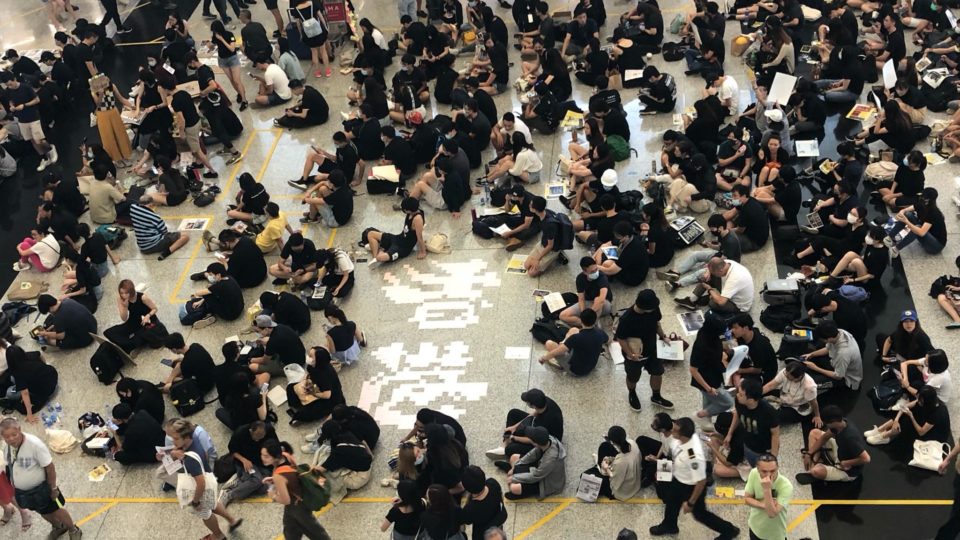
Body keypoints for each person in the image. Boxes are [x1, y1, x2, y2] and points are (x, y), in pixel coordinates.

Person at [649, 417, 739, 538]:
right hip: (680, 479)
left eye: (675, 430)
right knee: (671, 501)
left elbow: (701, 481)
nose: (672, 431)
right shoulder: (678, 441)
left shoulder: (693, 455)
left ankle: (729, 530)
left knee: (700, 514)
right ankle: (670, 525)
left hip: (692, 486)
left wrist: (690, 503)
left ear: (683, 435)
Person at [160, 418, 242, 539]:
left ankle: (218, 536)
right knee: (212, 503)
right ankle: (232, 520)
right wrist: (173, 454)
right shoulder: (194, 438)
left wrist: (195, 501)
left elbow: (200, 483)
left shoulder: (190, 460)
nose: (173, 441)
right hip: (209, 478)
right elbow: (206, 455)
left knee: (206, 514)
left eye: (176, 438)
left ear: (186, 437)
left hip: (200, 489)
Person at [1, 418, 81, 539]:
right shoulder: (7, 447)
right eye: (7, 437)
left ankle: (73, 530)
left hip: (42, 489)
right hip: (24, 492)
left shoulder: (34, 444)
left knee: (56, 509)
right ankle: (58, 527)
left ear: (19, 430)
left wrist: (53, 488)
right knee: (42, 511)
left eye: (14, 434)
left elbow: (49, 467)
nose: (11, 439)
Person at [614, 289, 675, 412]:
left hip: (652, 350)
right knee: (633, 377)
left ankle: (656, 396)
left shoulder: (653, 308)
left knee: (657, 372)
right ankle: (632, 393)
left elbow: (657, 323)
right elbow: (621, 339)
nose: (655, 309)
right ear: (643, 307)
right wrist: (630, 354)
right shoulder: (627, 319)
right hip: (635, 354)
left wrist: (663, 336)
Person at [262, 439, 332, 540]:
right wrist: (276, 480)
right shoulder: (286, 455)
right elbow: (292, 474)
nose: (262, 458)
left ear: (276, 457)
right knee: (290, 529)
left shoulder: (279, 475)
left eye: (266, 456)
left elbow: (286, 500)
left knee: (314, 531)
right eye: (262, 455)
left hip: (297, 506)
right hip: (299, 497)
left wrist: (273, 495)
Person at [660, 214, 741, 291]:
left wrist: (709, 267)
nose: (711, 231)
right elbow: (720, 247)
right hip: (721, 255)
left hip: (727, 264)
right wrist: (709, 245)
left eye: (713, 229)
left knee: (701, 272)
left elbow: (722, 260)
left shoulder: (731, 241)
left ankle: (677, 284)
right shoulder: (722, 233)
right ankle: (676, 272)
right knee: (696, 255)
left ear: (720, 227)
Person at [796, 405, 871, 485]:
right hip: (840, 451)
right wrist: (808, 453)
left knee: (816, 472)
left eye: (826, 423)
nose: (825, 425)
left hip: (848, 470)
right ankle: (815, 459)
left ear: (833, 422)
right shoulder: (840, 424)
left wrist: (846, 463)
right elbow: (824, 438)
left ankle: (815, 466)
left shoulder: (850, 438)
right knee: (814, 433)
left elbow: (866, 458)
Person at [485, 388, 563, 464]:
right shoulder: (545, 401)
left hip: (545, 442)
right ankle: (504, 444)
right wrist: (515, 427)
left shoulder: (546, 422)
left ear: (533, 405)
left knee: (510, 449)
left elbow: (532, 440)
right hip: (537, 429)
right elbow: (534, 413)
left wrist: (514, 438)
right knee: (513, 413)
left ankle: (506, 447)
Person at [0, 72, 57, 172]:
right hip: (21, 119)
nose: (10, 86)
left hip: (33, 117)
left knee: (39, 139)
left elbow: (37, 99)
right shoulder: (8, 91)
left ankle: (51, 149)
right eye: (7, 85)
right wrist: (12, 106)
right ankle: (44, 158)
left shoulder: (25, 87)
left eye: (10, 84)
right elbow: (10, 101)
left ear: (14, 79)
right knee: (32, 140)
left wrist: (24, 105)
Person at [864, 385, 952, 446]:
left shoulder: (937, 413)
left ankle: (885, 436)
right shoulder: (928, 402)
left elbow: (921, 432)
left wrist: (911, 416)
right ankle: (881, 429)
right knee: (904, 413)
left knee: (907, 419)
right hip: (926, 423)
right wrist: (896, 420)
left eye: (920, 400)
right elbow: (906, 406)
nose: (918, 401)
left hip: (934, 436)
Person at [763, 361, 822, 450]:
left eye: (789, 377)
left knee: (773, 417)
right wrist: (756, 393)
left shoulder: (809, 386)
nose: (785, 376)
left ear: (799, 377)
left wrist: (817, 415)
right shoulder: (785, 372)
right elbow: (771, 385)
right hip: (785, 397)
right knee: (764, 392)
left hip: (797, 408)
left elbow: (813, 402)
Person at [500, 426, 567, 500]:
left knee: (513, 487)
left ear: (535, 443)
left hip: (547, 482)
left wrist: (514, 478)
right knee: (514, 458)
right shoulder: (548, 440)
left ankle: (518, 492)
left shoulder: (550, 459)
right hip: (540, 467)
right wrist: (517, 465)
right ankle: (513, 469)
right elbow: (533, 454)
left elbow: (535, 476)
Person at [221, 421, 278, 506]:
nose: (258, 440)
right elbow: (232, 451)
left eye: (261, 437)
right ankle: (229, 495)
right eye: (257, 437)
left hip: (261, 462)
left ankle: (239, 483)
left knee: (265, 487)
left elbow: (276, 447)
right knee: (257, 481)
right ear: (251, 431)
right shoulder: (240, 433)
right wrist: (244, 460)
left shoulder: (269, 430)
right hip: (246, 461)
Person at [689, 315, 735, 421]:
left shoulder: (706, 332)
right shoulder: (701, 346)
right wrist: (708, 388)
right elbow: (693, 370)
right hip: (708, 380)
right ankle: (701, 414)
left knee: (709, 401)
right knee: (728, 402)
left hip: (714, 372)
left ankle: (706, 423)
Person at [104, 279, 167, 354]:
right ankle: (126, 343)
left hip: (148, 321)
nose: (124, 295)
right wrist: (125, 307)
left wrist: (148, 315)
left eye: (126, 293)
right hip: (134, 321)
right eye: (121, 293)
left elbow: (155, 308)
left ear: (131, 291)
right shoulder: (120, 299)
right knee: (109, 332)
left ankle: (127, 343)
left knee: (140, 337)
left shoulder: (142, 297)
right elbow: (124, 318)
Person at [539, 308, 608, 376]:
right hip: (591, 366)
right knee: (574, 329)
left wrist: (543, 358)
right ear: (595, 320)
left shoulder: (576, 338)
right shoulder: (600, 333)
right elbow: (607, 340)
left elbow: (559, 351)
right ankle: (563, 344)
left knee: (549, 344)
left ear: (581, 320)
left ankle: (559, 363)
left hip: (575, 370)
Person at [727, 379, 781, 465]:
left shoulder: (769, 412)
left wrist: (773, 458)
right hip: (747, 443)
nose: (737, 395)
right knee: (753, 464)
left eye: (741, 394)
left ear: (751, 400)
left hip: (763, 449)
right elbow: (737, 413)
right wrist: (729, 433)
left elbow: (775, 434)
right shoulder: (739, 401)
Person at [286, 347, 345, 425]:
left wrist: (313, 393)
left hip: (331, 400)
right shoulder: (312, 366)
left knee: (306, 412)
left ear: (318, 359)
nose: (308, 357)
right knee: (290, 388)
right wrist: (307, 383)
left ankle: (301, 414)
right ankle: (297, 405)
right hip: (317, 387)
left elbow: (327, 395)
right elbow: (309, 375)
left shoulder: (325, 374)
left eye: (311, 356)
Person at [674, 257, 754, 314]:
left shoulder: (734, 279)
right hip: (730, 291)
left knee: (713, 302)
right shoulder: (726, 263)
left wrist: (710, 289)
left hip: (738, 305)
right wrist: (708, 272)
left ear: (720, 270)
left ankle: (705, 299)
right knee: (705, 277)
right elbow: (712, 267)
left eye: (714, 272)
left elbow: (721, 302)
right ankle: (692, 300)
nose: (713, 274)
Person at [584, 425, 644, 501]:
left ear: (612, 442)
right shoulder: (632, 443)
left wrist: (606, 468)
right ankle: (598, 467)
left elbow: (614, 483)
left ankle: (598, 467)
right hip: (634, 479)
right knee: (604, 446)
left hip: (623, 492)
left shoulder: (620, 462)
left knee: (584, 476)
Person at [801, 320, 863, 392]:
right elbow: (828, 348)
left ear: (829, 338)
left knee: (810, 384)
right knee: (813, 352)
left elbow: (838, 376)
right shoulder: (840, 332)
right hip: (838, 364)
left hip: (845, 379)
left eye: (823, 339)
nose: (823, 340)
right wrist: (811, 354)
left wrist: (815, 368)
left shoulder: (843, 353)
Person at [360, 197, 426, 263]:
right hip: (398, 238)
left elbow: (419, 237)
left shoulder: (417, 219)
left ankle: (379, 251)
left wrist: (423, 252)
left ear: (408, 210)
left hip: (403, 248)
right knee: (371, 234)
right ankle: (375, 257)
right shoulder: (412, 211)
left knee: (380, 257)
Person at [178, 263, 244, 329]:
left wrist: (197, 294)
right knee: (210, 293)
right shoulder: (230, 278)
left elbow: (198, 293)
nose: (211, 277)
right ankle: (206, 310)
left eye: (212, 275)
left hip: (231, 316)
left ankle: (207, 315)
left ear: (218, 275)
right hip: (240, 307)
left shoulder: (219, 286)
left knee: (208, 295)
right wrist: (201, 301)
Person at [744, 454, 793, 540]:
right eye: (764, 471)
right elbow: (747, 499)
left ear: (778, 468)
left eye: (772, 471)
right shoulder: (754, 473)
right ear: (758, 469)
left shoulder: (786, 486)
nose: (769, 475)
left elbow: (772, 513)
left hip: (775, 534)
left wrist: (767, 489)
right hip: (755, 527)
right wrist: (764, 505)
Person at [2, 346, 58, 420]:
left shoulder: (18, 372)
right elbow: (40, 354)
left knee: (9, 393)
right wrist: (44, 365)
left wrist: (29, 414)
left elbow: (25, 393)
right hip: (52, 375)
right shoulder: (30, 355)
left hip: (46, 391)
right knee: (13, 379)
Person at [559, 256, 613, 327]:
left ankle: (591, 323)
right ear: (584, 272)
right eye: (592, 271)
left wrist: (589, 314)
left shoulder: (602, 277)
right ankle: (589, 325)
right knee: (563, 316)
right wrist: (583, 313)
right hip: (589, 302)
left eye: (596, 269)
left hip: (605, 303)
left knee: (597, 300)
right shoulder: (580, 279)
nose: (596, 272)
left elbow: (601, 299)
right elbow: (581, 298)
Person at [250, 316, 306, 382]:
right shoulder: (280, 326)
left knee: (252, 366)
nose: (257, 333)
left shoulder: (272, 342)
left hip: (293, 366)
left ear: (266, 329)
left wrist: (251, 359)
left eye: (257, 331)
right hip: (300, 356)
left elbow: (264, 361)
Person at [460, 466, 507, 540]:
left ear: (467, 488)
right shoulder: (493, 483)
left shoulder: (470, 509)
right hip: (497, 529)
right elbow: (501, 498)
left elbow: (465, 522)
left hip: (481, 535)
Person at [729, 314, 778, 385]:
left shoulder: (758, 346)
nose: (732, 330)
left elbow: (757, 370)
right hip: (751, 360)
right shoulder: (742, 336)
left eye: (735, 328)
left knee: (743, 386)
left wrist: (739, 371)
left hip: (765, 371)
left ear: (745, 328)